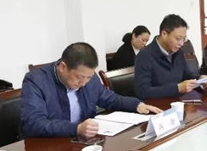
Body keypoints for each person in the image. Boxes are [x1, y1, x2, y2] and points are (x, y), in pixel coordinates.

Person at [21, 42, 161, 138]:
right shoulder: (36, 81)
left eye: (88, 78)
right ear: (63, 67)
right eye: (79, 77)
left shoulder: (89, 78)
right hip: (49, 147)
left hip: (84, 143)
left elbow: (109, 98)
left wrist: (137, 105)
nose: (83, 83)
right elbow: (34, 123)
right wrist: (76, 128)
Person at [134, 14, 200, 100]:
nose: (181, 43)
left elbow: (187, 75)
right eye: (178, 38)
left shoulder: (178, 52)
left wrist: (200, 79)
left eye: (184, 39)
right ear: (164, 34)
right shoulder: (145, 55)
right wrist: (177, 88)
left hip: (178, 102)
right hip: (156, 105)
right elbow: (142, 92)